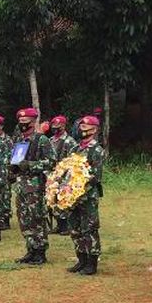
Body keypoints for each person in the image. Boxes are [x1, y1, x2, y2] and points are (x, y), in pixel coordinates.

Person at [11, 108, 56, 265]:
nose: (23, 125)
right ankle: (31, 249)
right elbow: (15, 160)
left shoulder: (41, 140)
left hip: (35, 186)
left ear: (33, 122)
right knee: (24, 219)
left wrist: (30, 165)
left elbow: (51, 162)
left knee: (36, 218)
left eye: (26, 123)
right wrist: (13, 167)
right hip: (21, 185)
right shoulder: (20, 140)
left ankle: (40, 251)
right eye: (21, 122)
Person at [66, 116, 105, 276]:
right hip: (72, 196)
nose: (82, 129)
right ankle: (81, 259)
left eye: (86, 127)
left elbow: (95, 176)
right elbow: (67, 169)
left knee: (89, 228)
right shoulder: (75, 148)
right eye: (81, 126)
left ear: (94, 130)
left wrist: (78, 185)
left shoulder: (96, 150)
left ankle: (92, 262)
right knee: (75, 228)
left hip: (87, 195)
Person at [49, 115, 77, 235]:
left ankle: (66, 226)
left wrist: (66, 176)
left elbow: (73, 160)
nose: (56, 128)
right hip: (52, 175)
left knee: (64, 199)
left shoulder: (69, 141)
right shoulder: (50, 140)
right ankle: (59, 225)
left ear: (64, 126)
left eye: (58, 126)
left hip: (65, 175)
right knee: (53, 199)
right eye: (54, 126)